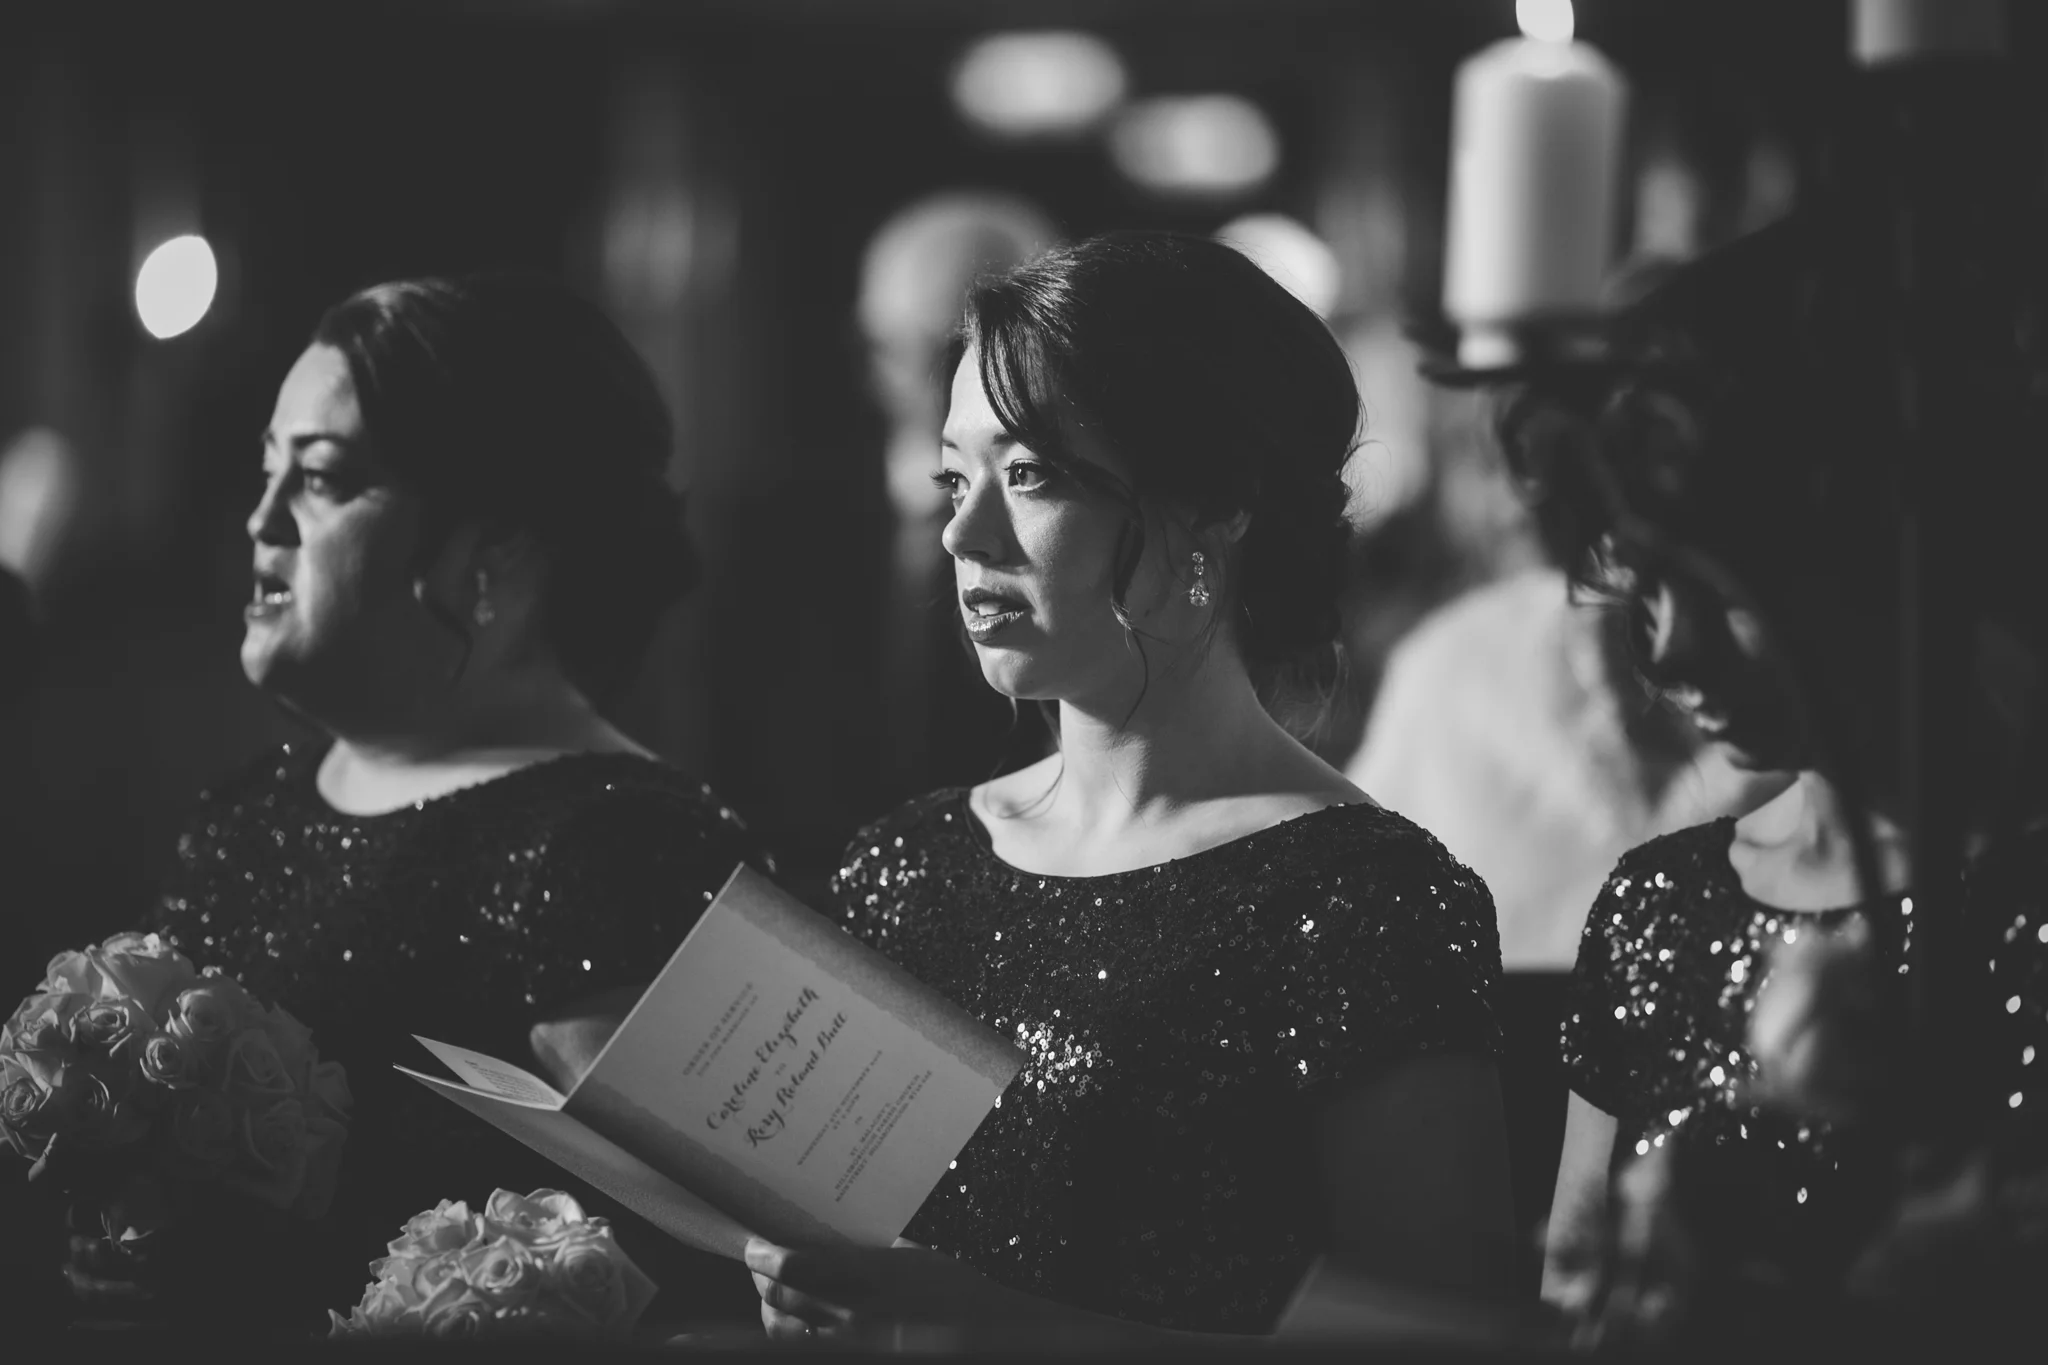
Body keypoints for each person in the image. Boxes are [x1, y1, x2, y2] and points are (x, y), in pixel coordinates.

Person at [747, 232, 1516, 1341]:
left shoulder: (1361, 899)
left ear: (1212, 503)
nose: (965, 533)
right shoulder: (900, 867)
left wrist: (1002, 1332)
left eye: (1030, 475)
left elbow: (1441, 1341)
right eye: (952, 477)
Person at [58, 276, 774, 1330]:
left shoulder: (625, 841)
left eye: (322, 480)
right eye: (265, 473)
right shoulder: (244, 814)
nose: (261, 521)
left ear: (494, 551)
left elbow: (727, 1266)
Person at [1500, 215, 2048, 1330]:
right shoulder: (1658, 904)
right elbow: (1567, 1290)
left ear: (1871, 555)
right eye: (1636, 592)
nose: (1664, 652)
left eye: (1721, 594)